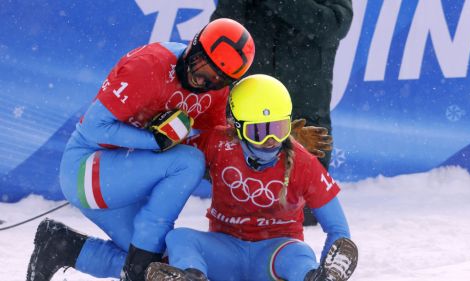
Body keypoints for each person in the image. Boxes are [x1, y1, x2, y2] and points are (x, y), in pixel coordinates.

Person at [25, 18, 256, 281]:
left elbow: (211, 141)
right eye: (203, 66)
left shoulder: (216, 92)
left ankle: (60, 246)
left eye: (216, 79)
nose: (203, 80)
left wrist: (277, 140)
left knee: (163, 267)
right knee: (189, 161)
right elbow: (92, 127)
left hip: (123, 176)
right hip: (86, 168)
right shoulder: (148, 65)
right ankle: (146, 251)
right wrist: (154, 140)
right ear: (194, 46)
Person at [145, 74, 358, 281]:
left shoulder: (304, 162)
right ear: (237, 128)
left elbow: (338, 229)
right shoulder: (218, 143)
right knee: (179, 237)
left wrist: (331, 262)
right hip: (225, 252)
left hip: (276, 256)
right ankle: (192, 277)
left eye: (279, 129)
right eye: (259, 132)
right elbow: (172, 160)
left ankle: (318, 278)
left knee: (300, 254)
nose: (271, 141)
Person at [210, 0, 353, 226]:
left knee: (301, 216)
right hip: (253, 93)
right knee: (240, 213)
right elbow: (223, 28)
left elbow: (335, 25)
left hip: (306, 93)